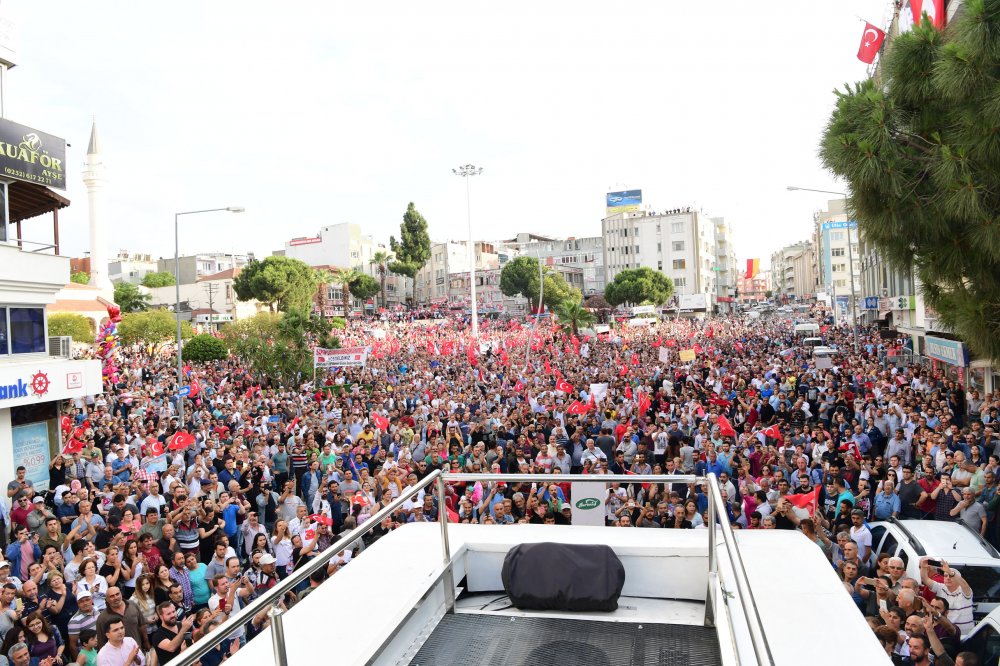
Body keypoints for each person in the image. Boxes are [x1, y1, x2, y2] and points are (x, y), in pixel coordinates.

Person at [920, 557, 975, 636]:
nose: (948, 578)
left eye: (951, 576)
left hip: (966, 635)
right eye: (945, 576)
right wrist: (923, 567)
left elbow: (965, 585)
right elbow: (925, 579)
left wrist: (950, 571)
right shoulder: (941, 587)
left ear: (958, 578)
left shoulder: (964, 590)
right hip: (946, 632)